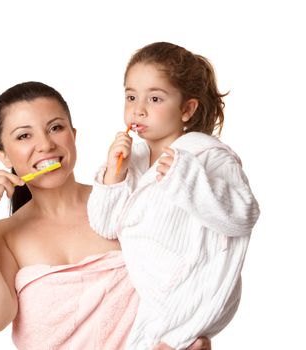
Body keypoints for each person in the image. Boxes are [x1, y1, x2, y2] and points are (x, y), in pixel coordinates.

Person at [0, 81, 212, 349]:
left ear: (74, 135)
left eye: (56, 128)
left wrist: (189, 336)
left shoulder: (123, 201)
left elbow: (190, 275)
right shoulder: (4, 236)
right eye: (24, 136)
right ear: (4, 157)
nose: (45, 144)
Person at [88, 42, 260, 349]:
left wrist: (187, 178)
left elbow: (243, 216)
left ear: (187, 109)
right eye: (131, 96)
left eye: (155, 98)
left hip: (196, 293)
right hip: (150, 303)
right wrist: (115, 175)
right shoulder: (133, 160)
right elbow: (104, 226)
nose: (138, 109)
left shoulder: (207, 156)